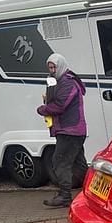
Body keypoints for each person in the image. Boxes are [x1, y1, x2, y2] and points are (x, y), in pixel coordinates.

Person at [36, 53, 88, 208]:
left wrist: (43, 109)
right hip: (73, 130)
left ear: (61, 66)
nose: (52, 70)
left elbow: (60, 105)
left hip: (69, 130)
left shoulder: (67, 83)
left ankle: (65, 196)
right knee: (79, 164)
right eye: (50, 67)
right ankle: (92, 191)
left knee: (59, 161)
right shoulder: (64, 81)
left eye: (54, 67)